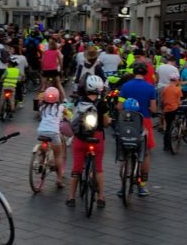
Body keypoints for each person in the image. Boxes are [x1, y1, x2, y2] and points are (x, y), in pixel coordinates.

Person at [66, 75, 110, 208]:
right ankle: (101, 198)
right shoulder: (102, 104)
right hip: (97, 138)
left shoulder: (79, 101)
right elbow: (106, 123)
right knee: (98, 169)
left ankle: (71, 198)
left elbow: (71, 117)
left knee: (76, 169)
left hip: (80, 138)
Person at [118, 63, 157, 196]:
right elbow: (153, 109)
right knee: (145, 153)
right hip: (143, 121)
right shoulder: (150, 88)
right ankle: (142, 185)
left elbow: (119, 106)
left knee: (124, 152)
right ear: (146, 73)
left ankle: (122, 184)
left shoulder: (126, 86)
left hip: (127, 121)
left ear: (134, 72)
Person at [34, 86, 67, 189]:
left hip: (41, 132)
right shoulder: (60, 108)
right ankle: (59, 180)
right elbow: (67, 114)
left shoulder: (42, 107)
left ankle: (41, 161)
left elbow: (39, 109)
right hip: (53, 133)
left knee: (44, 147)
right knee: (58, 155)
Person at [161, 71, 182, 153]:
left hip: (167, 109)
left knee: (168, 127)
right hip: (174, 108)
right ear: (177, 80)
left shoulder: (165, 89)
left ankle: (166, 145)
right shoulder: (178, 89)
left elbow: (163, 100)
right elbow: (178, 102)